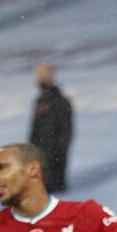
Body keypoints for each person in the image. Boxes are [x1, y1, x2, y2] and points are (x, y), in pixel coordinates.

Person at [29, 62, 73, 193]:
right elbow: (35, 128)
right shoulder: (40, 100)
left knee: (56, 188)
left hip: (55, 152)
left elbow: (66, 129)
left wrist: (60, 148)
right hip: (40, 151)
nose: (39, 80)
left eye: (43, 76)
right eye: (38, 77)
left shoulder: (60, 100)